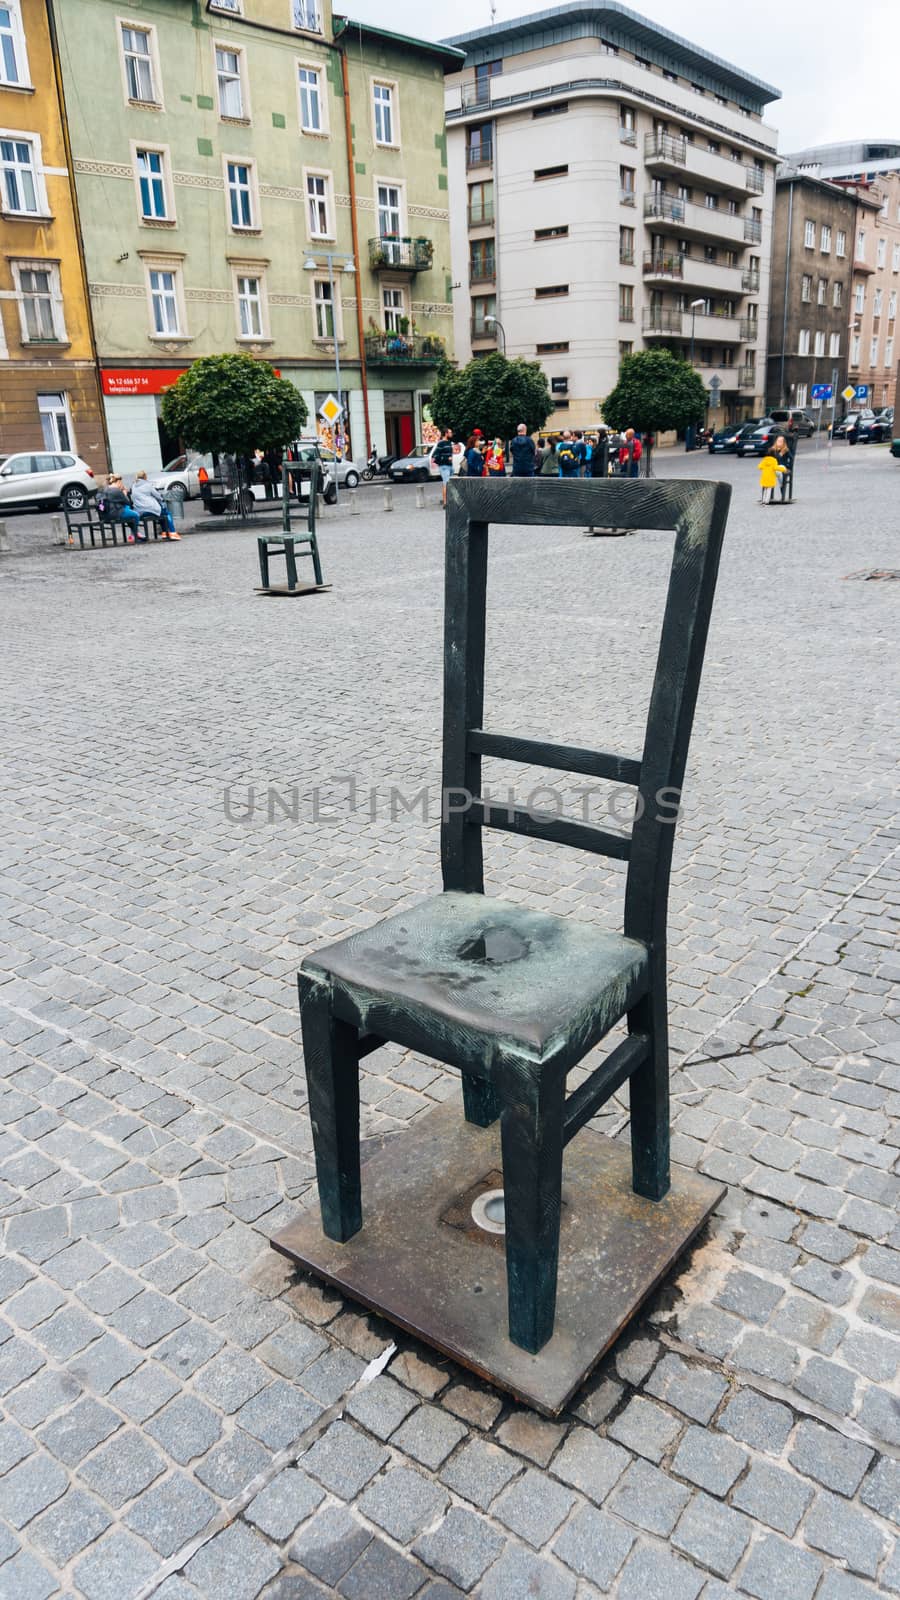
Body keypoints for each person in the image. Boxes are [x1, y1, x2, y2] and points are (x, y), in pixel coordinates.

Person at [131, 470, 179, 537]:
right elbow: (158, 496)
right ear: (145, 477)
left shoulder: (133, 486)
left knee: (161, 512)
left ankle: (164, 532)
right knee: (167, 513)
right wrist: (162, 499)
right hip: (149, 509)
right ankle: (172, 532)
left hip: (139, 511)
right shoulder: (148, 485)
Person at [98, 475, 141, 540]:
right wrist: (125, 494)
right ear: (118, 482)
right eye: (121, 482)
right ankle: (135, 533)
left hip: (104, 515)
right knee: (136, 515)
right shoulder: (116, 491)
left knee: (128, 511)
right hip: (115, 514)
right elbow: (127, 502)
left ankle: (134, 535)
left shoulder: (104, 489)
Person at [432, 428, 455, 507]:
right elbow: (435, 456)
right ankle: (445, 503)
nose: (451, 433)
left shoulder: (449, 442)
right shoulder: (441, 443)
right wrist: (446, 458)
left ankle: (450, 500)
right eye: (450, 432)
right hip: (444, 466)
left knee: (450, 484)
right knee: (446, 483)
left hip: (450, 466)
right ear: (446, 433)